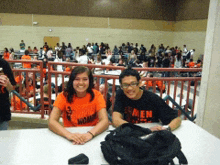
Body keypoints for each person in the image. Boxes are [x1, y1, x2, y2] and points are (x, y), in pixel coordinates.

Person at [48, 66, 109, 145]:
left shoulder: (97, 95)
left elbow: (104, 121)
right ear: (72, 81)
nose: (81, 83)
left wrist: (89, 134)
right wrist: (69, 135)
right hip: (69, 138)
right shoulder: (63, 96)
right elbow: (52, 121)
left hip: (92, 137)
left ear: (90, 81)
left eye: (85, 79)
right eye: (77, 79)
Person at [112, 67, 181, 132]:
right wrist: (141, 130)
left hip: (150, 136)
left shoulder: (153, 98)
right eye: (125, 85)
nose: (129, 88)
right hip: (131, 134)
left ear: (140, 83)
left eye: (133, 84)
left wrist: (166, 129)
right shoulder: (121, 94)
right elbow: (116, 119)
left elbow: (176, 119)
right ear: (121, 86)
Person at [0, 59, 16, 130]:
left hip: (3, 111)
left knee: (4, 139)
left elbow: (11, 88)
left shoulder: (4, 64)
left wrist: (8, 83)